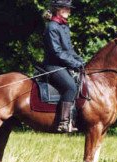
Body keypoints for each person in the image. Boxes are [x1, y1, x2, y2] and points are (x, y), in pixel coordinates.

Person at [43, 0, 84, 132]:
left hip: (63, 65)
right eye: (66, 8)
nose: (69, 11)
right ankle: (63, 122)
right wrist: (74, 63)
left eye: (69, 8)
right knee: (71, 87)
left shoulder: (64, 27)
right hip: (53, 66)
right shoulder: (52, 27)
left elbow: (69, 50)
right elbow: (57, 52)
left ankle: (75, 118)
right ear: (58, 9)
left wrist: (81, 62)